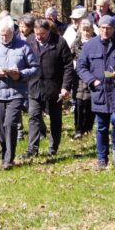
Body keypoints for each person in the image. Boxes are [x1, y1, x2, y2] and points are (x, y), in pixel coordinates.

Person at [76, 15, 115, 169]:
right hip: (99, 91)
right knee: (102, 126)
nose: (105, 31)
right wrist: (92, 80)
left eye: (108, 28)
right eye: (102, 28)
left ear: (113, 29)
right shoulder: (90, 46)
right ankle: (101, 158)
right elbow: (81, 67)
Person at [0, 16, 38, 169]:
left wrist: (21, 74)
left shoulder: (23, 46)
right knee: (0, 125)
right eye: (1, 34)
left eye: (7, 34)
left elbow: (35, 68)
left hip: (16, 92)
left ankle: (9, 159)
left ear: (13, 32)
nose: (4, 38)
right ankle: (4, 152)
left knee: (10, 123)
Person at [25, 17, 76, 159]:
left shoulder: (59, 42)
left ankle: (53, 147)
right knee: (33, 116)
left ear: (48, 31)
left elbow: (68, 66)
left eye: (42, 34)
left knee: (55, 118)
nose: (39, 37)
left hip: (54, 87)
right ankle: (32, 148)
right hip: (34, 86)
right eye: (36, 33)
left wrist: (65, 87)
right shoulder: (29, 41)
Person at [70, 20, 96, 139]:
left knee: (90, 102)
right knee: (79, 102)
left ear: (92, 30)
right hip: (79, 76)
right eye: (84, 30)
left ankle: (88, 127)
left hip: (93, 75)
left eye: (88, 30)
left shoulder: (97, 42)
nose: (86, 33)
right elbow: (69, 58)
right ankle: (78, 129)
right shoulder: (76, 43)